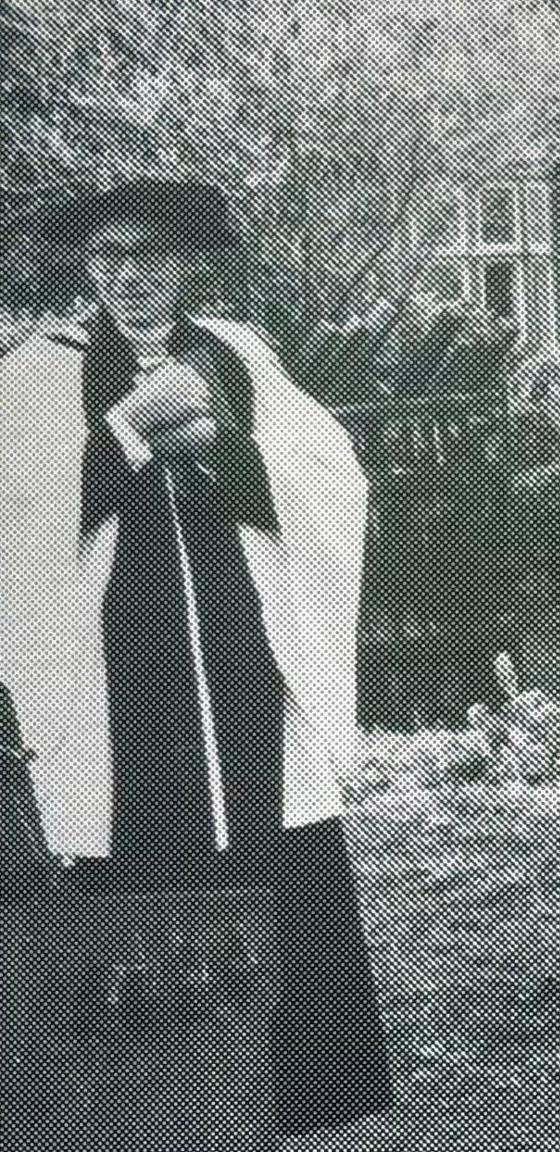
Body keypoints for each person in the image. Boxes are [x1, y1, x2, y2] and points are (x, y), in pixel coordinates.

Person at [0, 179, 391, 1149]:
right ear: (86, 269)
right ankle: (143, 1098)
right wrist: (130, 427)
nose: (130, 277)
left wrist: (220, 443)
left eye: (151, 256)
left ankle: (275, 1095)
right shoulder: (42, 371)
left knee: (266, 855)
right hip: (115, 670)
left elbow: (329, 476)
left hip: (238, 655)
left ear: (187, 264)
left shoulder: (240, 354)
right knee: (134, 855)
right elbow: (21, 512)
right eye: (108, 259)